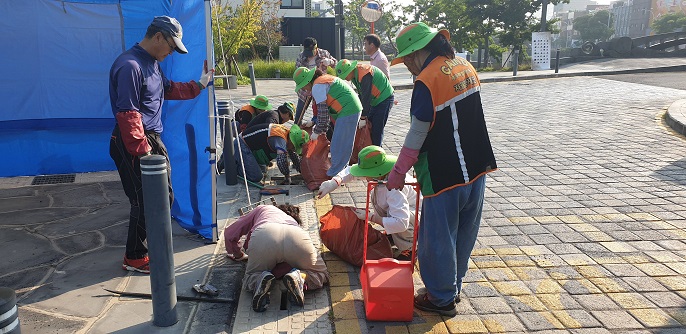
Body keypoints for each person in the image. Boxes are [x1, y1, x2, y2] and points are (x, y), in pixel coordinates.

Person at [387, 22, 497, 316]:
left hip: (444, 173)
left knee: (437, 239)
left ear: (421, 50)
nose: (408, 64)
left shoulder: (427, 80)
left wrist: (398, 172)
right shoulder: (463, 66)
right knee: (464, 233)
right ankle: (453, 287)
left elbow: (417, 135)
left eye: (409, 57)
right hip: (476, 169)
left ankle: (440, 298)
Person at [109, 16, 213, 274]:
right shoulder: (130, 65)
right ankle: (134, 256)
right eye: (171, 46)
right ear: (158, 37)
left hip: (149, 139)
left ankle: (142, 250)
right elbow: (128, 114)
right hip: (134, 141)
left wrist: (199, 84)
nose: (171, 52)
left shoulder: (152, 64)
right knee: (147, 199)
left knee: (161, 197)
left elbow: (167, 89)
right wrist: (143, 151)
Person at [317, 146, 419, 260]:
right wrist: (334, 182)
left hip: (417, 215)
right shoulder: (382, 175)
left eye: (366, 173)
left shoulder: (394, 188)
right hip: (401, 209)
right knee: (381, 201)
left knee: (401, 218)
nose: (364, 177)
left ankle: (410, 247)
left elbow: (401, 223)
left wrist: (371, 217)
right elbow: (350, 171)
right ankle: (393, 235)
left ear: (377, 171)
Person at [223, 204, 329, 312]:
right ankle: (300, 277)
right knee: (321, 274)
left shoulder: (263, 208)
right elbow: (285, 260)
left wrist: (238, 254)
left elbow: (230, 234)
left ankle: (259, 279)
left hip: (264, 234)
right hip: (297, 236)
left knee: (251, 277)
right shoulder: (293, 222)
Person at [292, 67, 362, 178]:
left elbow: (323, 115)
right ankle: (340, 173)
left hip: (348, 110)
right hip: (349, 109)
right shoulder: (321, 81)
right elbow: (322, 113)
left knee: (339, 146)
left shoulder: (317, 87)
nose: (304, 89)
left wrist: (316, 132)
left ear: (307, 81)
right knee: (341, 145)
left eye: (303, 86)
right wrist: (314, 122)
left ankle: (335, 176)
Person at [335, 59, 394, 147]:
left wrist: (362, 117)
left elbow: (366, 97)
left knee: (377, 129)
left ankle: (377, 154)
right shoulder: (354, 75)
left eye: (345, 75)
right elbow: (361, 95)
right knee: (369, 127)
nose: (345, 79)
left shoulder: (364, 73)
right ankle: (371, 151)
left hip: (384, 98)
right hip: (374, 100)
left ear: (350, 70)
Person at [234, 123, 308, 184]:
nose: (293, 149)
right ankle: (234, 167)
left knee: (262, 170)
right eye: (294, 146)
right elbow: (281, 160)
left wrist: (302, 171)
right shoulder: (280, 139)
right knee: (256, 176)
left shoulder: (287, 133)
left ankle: (240, 162)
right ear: (292, 141)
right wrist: (287, 176)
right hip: (241, 145)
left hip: (249, 145)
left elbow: (293, 154)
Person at [294, 37, 337, 125]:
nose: (309, 55)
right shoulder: (301, 56)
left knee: (320, 111)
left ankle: (320, 129)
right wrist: (307, 90)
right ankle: (296, 130)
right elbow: (298, 74)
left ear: (316, 48)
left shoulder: (324, 53)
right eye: (307, 52)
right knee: (299, 112)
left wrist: (330, 62)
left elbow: (336, 64)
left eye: (311, 52)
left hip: (321, 87)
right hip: (305, 89)